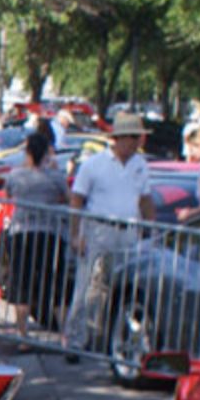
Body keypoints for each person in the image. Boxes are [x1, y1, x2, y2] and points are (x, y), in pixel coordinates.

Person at [65, 112, 154, 352]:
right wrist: (76, 234)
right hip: (99, 230)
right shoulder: (94, 164)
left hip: (128, 231)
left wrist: (152, 231)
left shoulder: (140, 165)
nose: (137, 142)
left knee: (118, 287)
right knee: (87, 286)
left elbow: (145, 200)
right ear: (120, 138)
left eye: (139, 137)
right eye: (134, 137)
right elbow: (77, 199)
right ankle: (74, 338)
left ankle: (103, 338)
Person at [1, 130, 71, 339]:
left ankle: (23, 335)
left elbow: (8, 195)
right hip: (50, 233)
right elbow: (68, 198)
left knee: (22, 283)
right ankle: (66, 337)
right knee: (55, 284)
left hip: (22, 232)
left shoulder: (15, 175)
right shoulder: (55, 176)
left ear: (28, 152)